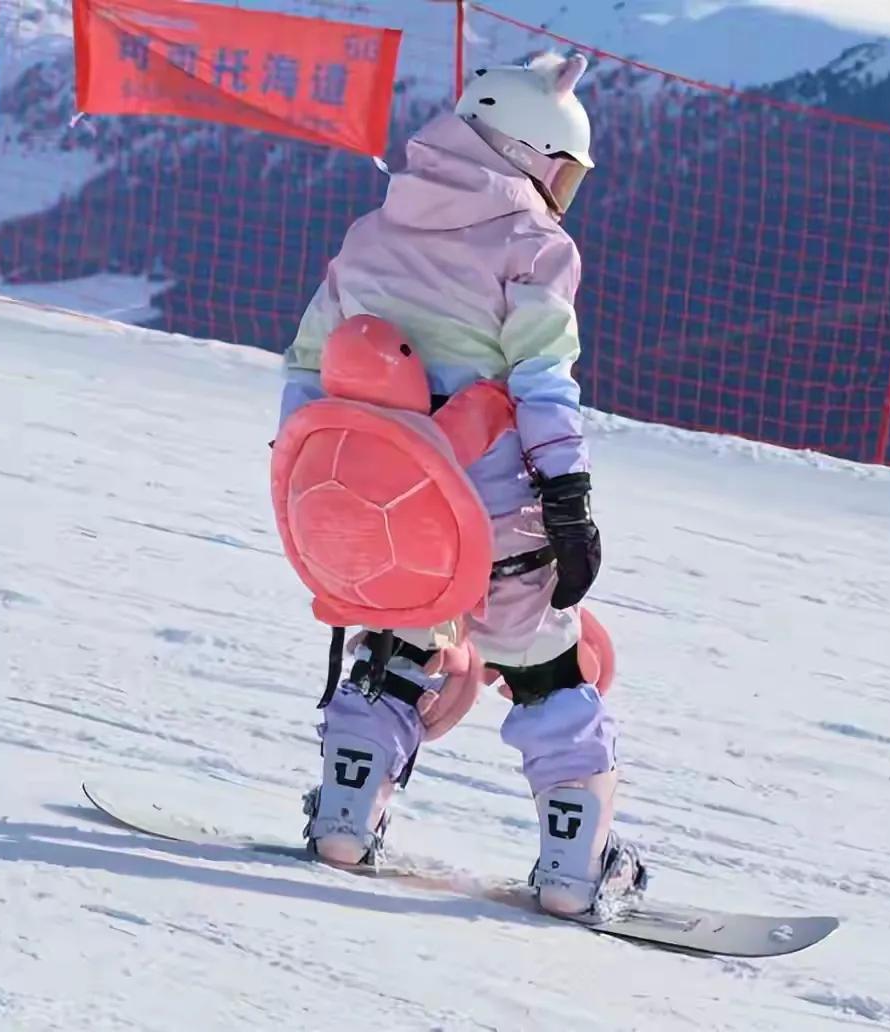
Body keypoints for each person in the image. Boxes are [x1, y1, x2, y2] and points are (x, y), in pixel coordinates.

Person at [277, 52, 646, 919]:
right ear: (524, 149)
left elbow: (307, 366)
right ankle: (576, 869)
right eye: (562, 169)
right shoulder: (535, 247)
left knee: (401, 643)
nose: (561, 191)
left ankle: (343, 819)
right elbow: (544, 383)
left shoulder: (372, 233)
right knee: (548, 665)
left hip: (381, 502)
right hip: (493, 511)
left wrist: (308, 479)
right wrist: (568, 498)